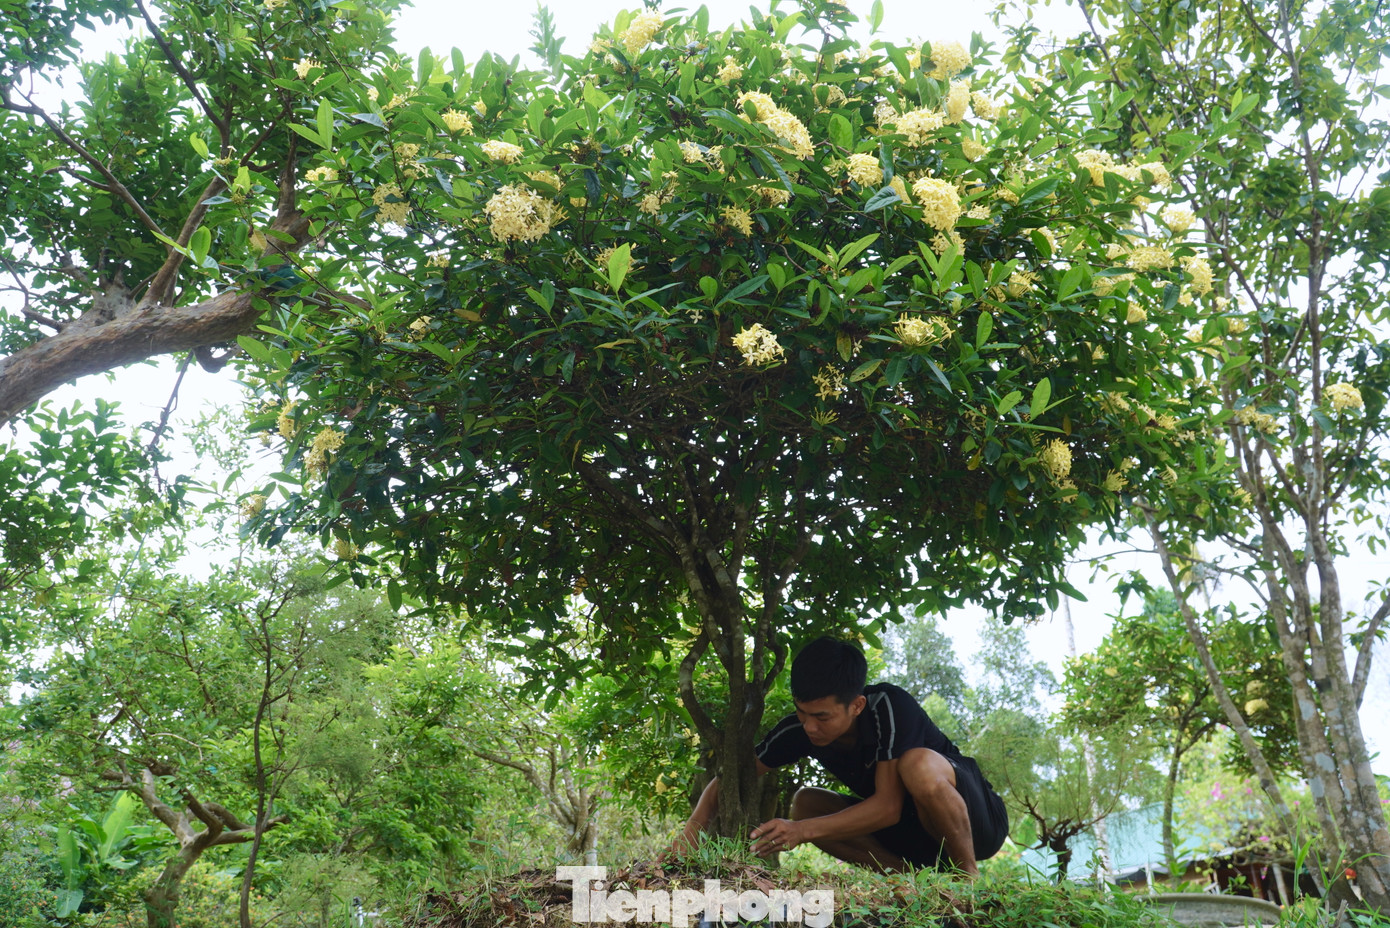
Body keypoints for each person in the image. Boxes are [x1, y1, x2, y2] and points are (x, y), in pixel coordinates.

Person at [668, 636, 1008, 877]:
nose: (810, 726)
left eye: (822, 717)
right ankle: (911, 882)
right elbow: (735, 774)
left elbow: (888, 806)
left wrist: (801, 831)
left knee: (916, 764)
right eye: (802, 713)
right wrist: (692, 831)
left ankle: (966, 880)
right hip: (914, 840)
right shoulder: (800, 729)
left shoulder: (888, 707)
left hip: (977, 826)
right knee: (805, 803)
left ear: (856, 705)